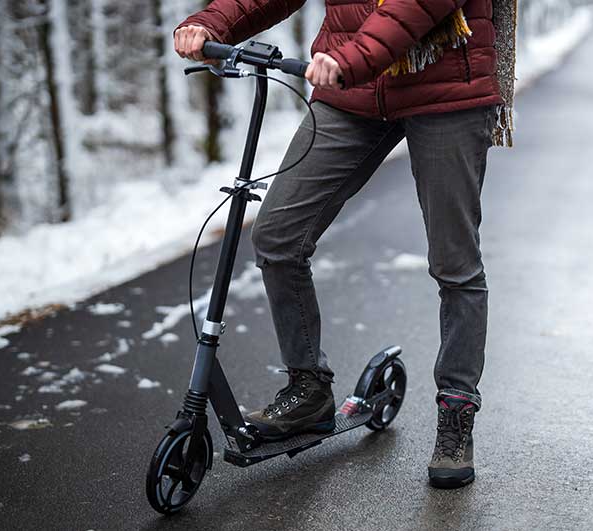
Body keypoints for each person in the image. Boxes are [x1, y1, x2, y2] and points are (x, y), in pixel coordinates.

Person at [174, 0, 507, 489]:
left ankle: (456, 412)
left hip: (443, 88)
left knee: (454, 264)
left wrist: (352, 57)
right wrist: (212, 22)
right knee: (278, 235)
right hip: (353, 93)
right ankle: (308, 389)